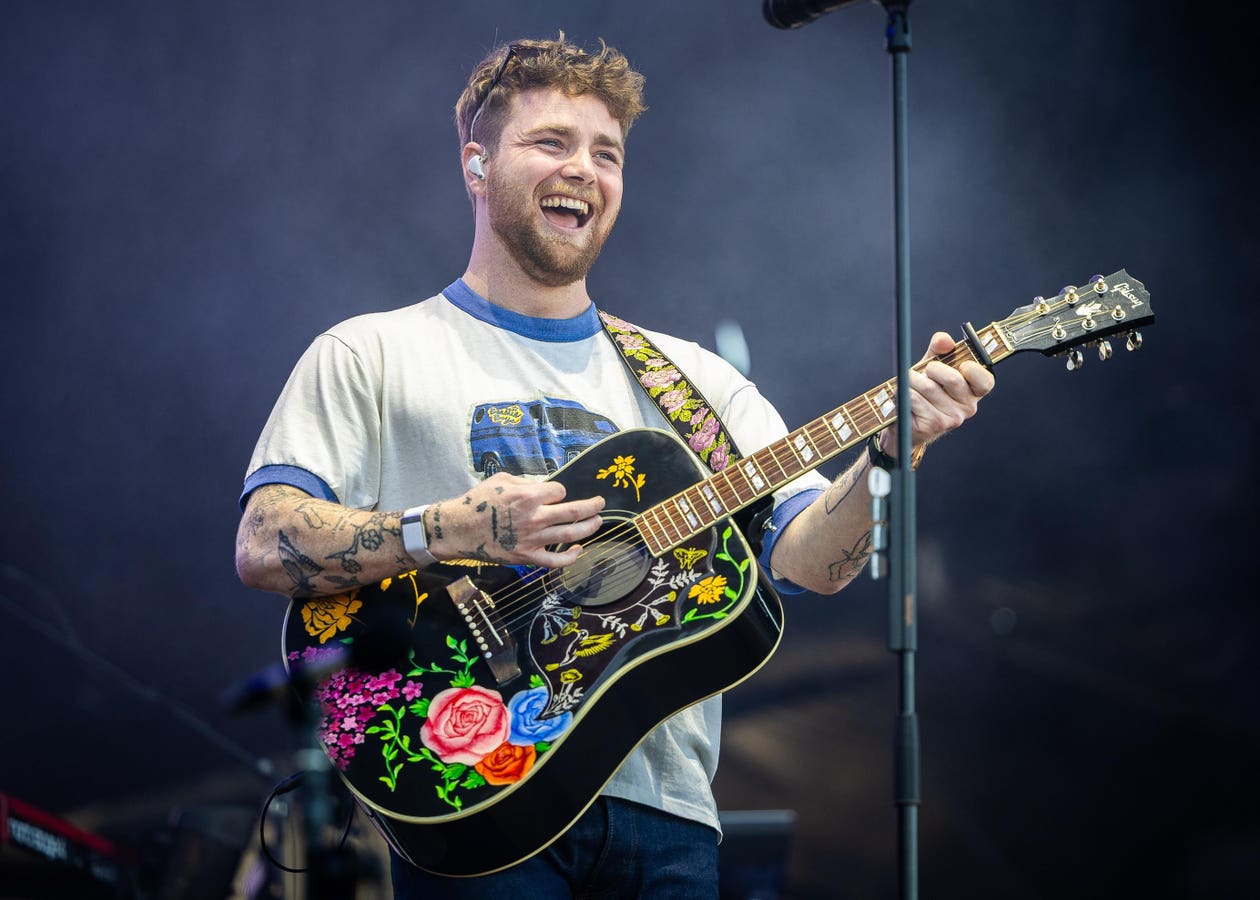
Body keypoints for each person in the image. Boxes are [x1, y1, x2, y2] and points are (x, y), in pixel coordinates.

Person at [235, 33, 994, 899]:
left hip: (669, 822)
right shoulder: (371, 353)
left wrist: (892, 453)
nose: (583, 170)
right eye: (551, 142)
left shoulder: (697, 383)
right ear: (477, 164)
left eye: (607, 153)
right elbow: (265, 541)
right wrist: (451, 527)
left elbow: (815, 564)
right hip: (478, 795)